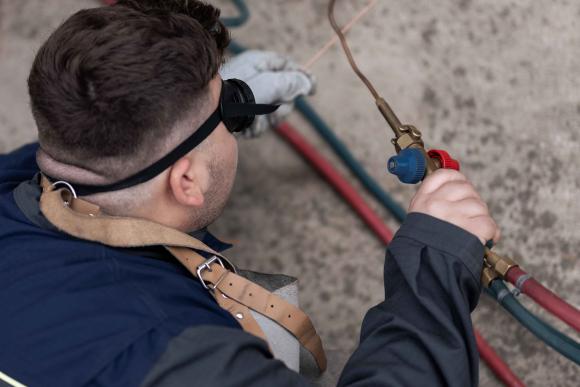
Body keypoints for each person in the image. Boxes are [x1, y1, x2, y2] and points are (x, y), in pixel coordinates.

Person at [0, 1, 500, 386]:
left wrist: (217, 117)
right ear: (187, 181)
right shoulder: (172, 353)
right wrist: (433, 271)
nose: (237, 108)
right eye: (228, 107)